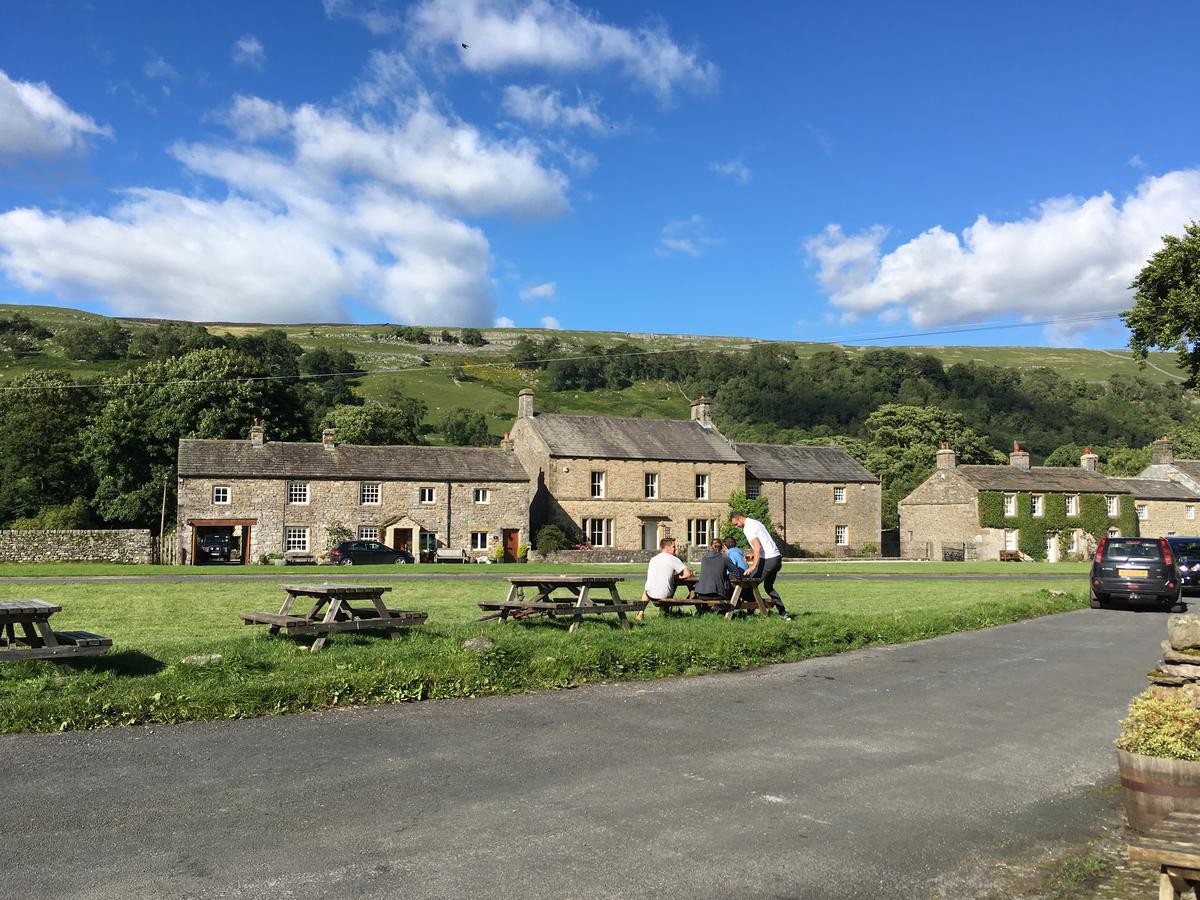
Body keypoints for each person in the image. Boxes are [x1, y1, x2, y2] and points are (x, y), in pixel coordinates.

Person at [730, 512, 791, 620]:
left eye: (736, 524)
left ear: (739, 518)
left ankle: (752, 610)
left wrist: (753, 566)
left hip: (769, 560)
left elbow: (757, 547)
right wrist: (754, 556)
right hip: (776, 558)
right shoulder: (756, 523)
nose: (737, 527)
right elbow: (764, 544)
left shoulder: (748, 528)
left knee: (748, 583)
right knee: (768, 587)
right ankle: (783, 613)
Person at [636, 537, 692, 621]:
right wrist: (674, 577)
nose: (675, 549)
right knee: (671, 585)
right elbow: (688, 574)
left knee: (647, 589)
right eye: (673, 547)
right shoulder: (673, 559)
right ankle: (665, 612)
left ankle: (640, 612)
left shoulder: (653, 559)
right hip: (665, 595)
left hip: (650, 595)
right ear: (667, 547)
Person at [696, 538, 741, 603]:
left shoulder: (704, 558)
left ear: (711, 546)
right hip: (718, 594)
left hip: (701, 594)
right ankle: (728, 610)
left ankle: (706, 610)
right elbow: (736, 574)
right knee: (733, 590)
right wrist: (725, 577)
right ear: (722, 547)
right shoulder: (724, 557)